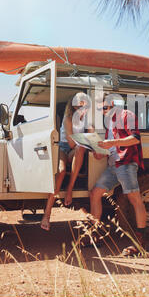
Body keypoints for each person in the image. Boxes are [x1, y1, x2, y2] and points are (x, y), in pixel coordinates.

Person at [89, 95, 147, 255]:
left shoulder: (126, 115)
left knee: (134, 199)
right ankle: (95, 235)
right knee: (95, 193)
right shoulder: (110, 124)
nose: (103, 111)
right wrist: (100, 152)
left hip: (126, 164)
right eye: (100, 109)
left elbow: (135, 139)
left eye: (105, 107)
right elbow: (111, 148)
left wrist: (112, 143)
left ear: (112, 104)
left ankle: (140, 243)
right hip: (113, 165)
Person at [41, 92, 94, 231]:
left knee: (81, 149)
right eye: (79, 105)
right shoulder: (68, 118)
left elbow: (92, 136)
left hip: (77, 148)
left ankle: (70, 189)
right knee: (62, 171)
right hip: (64, 147)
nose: (82, 109)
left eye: (85, 105)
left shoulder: (87, 119)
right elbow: (70, 143)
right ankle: (47, 215)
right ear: (74, 106)